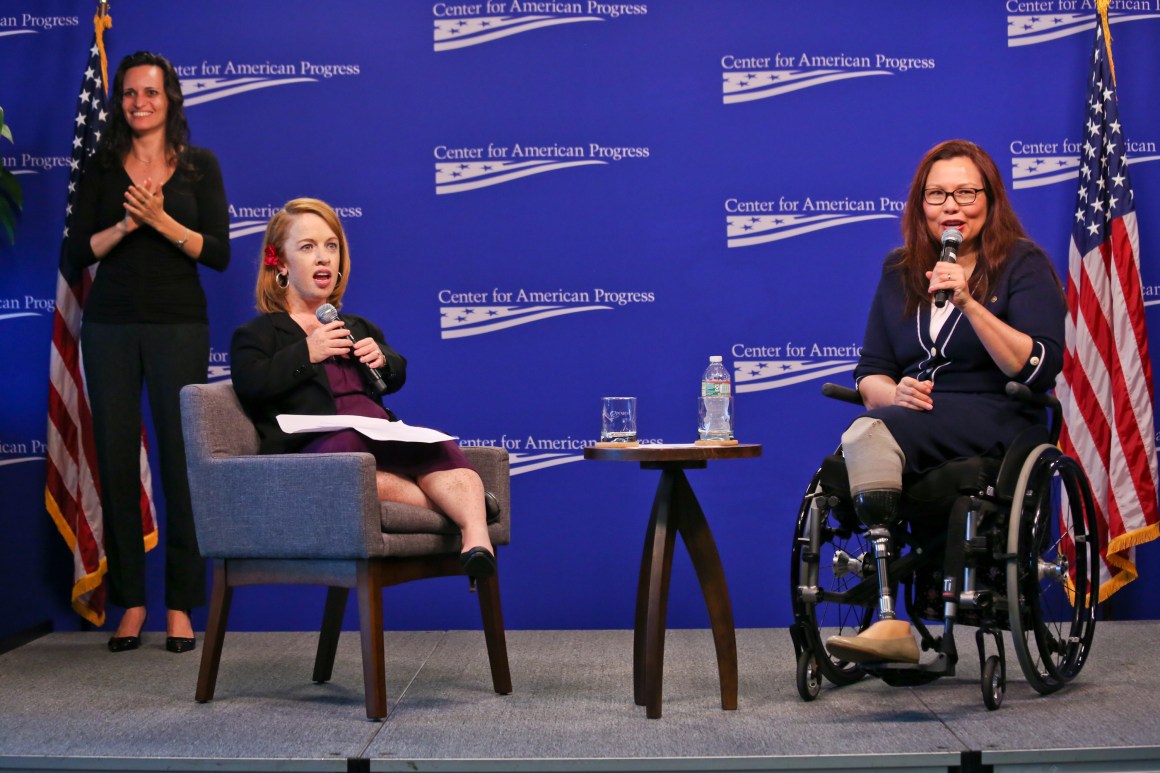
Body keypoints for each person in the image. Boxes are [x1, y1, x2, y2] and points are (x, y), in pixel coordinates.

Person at [824, 139, 1066, 664]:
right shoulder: (899, 270)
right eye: (937, 194)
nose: (951, 206)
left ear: (990, 199)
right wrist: (894, 392)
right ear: (920, 204)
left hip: (997, 411)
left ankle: (891, 622)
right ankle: (892, 616)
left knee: (867, 436)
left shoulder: (1021, 264)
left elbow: (1038, 366)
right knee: (867, 433)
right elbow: (871, 372)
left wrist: (969, 303)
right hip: (912, 416)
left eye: (965, 192)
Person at [229, 198, 498, 578]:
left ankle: (476, 542)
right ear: (281, 263)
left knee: (440, 449)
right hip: (320, 447)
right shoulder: (257, 334)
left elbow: (396, 375)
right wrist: (308, 351)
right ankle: (466, 508)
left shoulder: (356, 325)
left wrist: (383, 358)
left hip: (378, 434)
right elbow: (251, 385)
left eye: (331, 245)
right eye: (308, 247)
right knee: (355, 465)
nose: (323, 258)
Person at [66, 51, 230, 654]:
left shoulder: (198, 167)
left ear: (170, 100)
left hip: (179, 326)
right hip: (109, 327)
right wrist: (127, 227)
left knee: (183, 464)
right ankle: (132, 603)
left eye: (151, 93)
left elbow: (218, 253)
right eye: (130, 93)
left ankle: (182, 606)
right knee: (114, 462)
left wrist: (160, 220)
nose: (139, 102)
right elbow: (76, 254)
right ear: (121, 102)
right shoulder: (103, 168)